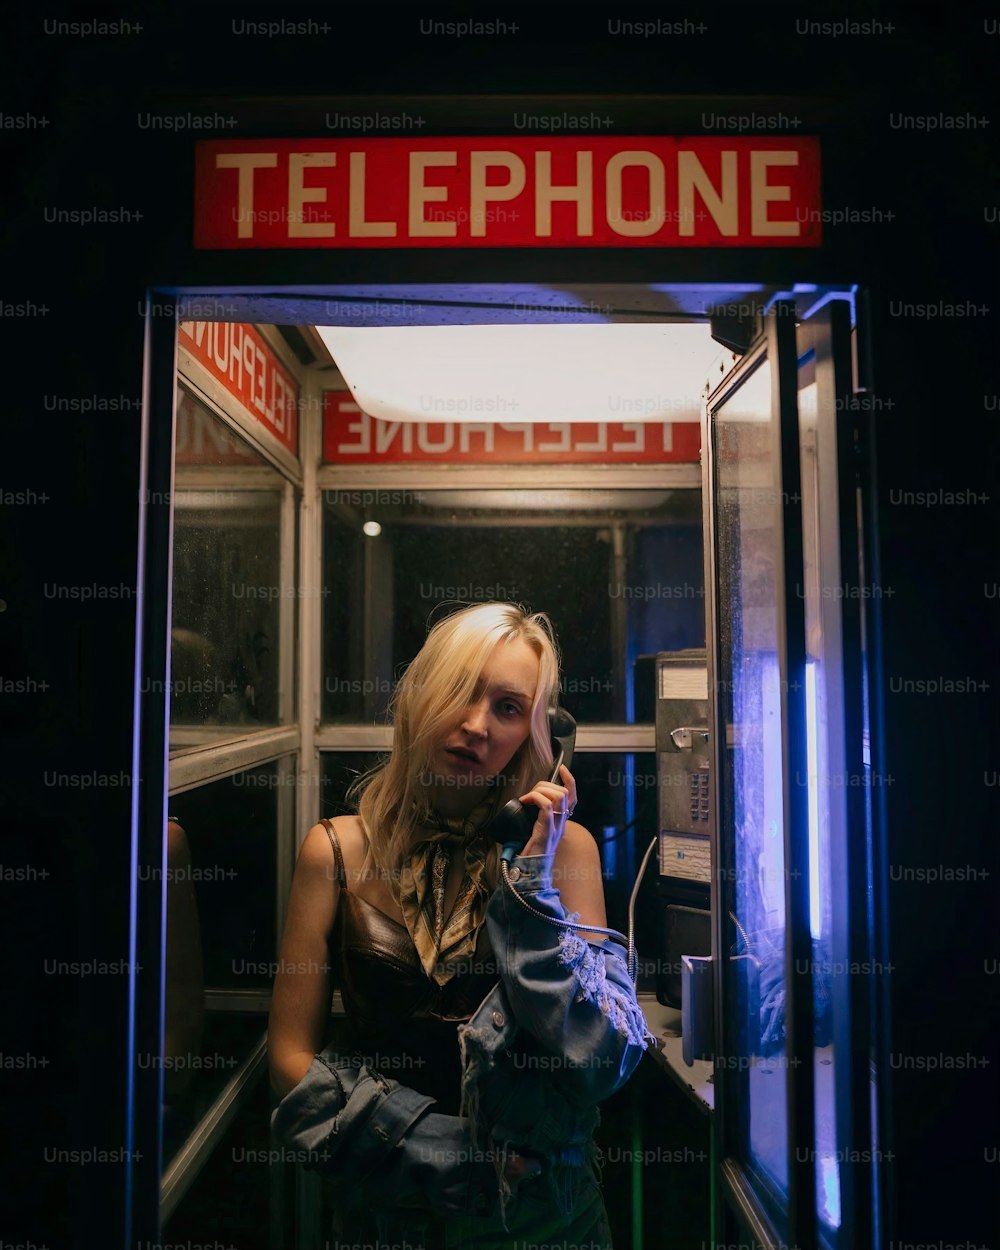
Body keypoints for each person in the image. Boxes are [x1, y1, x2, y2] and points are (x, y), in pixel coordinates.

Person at [268, 602, 651, 1248]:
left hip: (537, 1224)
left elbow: (601, 1060)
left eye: (507, 708)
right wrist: (415, 1140)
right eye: (458, 692)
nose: (475, 726)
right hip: (387, 1218)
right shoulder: (335, 851)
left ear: (541, 735)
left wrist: (530, 886)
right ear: (419, 698)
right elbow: (286, 1060)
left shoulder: (565, 852)